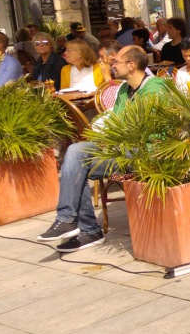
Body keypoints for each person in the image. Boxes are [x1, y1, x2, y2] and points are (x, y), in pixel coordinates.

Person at [36, 45, 172, 251]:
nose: (111, 64)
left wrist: (111, 136)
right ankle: (69, 221)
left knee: (76, 166)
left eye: (116, 61)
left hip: (145, 152)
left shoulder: (155, 88)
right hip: (121, 149)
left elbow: (141, 128)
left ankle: (86, 229)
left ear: (132, 65)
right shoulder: (125, 90)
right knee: (75, 153)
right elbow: (116, 122)